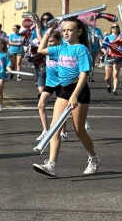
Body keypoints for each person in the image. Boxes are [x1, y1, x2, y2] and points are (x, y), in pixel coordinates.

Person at [34, 17, 97, 178]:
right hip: (64, 90)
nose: (66, 33)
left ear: (79, 32)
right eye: (64, 30)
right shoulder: (61, 47)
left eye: (70, 30)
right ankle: (51, 165)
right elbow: (41, 50)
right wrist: (49, 31)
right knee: (54, 128)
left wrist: (74, 95)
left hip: (79, 91)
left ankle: (93, 157)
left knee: (79, 130)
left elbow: (84, 74)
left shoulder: (81, 49)